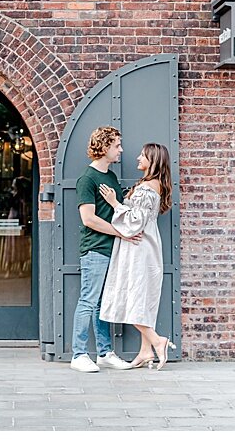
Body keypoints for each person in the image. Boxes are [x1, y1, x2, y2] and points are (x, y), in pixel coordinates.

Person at [99, 142, 178, 370]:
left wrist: (115, 203)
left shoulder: (145, 189)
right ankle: (145, 352)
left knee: (131, 299)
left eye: (142, 156)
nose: (137, 158)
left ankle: (157, 341)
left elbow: (135, 222)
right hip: (148, 247)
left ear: (152, 160)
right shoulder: (155, 185)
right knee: (143, 300)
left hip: (138, 249)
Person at [70, 125, 142, 373]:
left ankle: (104, 353)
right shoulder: (87, 179)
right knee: (88, 301)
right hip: (95, 250)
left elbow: (118, 210)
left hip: (111, 250)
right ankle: (78, 354)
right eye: (117, 145)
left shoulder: (110, 177)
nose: (121, 150)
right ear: (104, 147)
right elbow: (88, 219)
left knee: (102, 303)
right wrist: (122, 233)